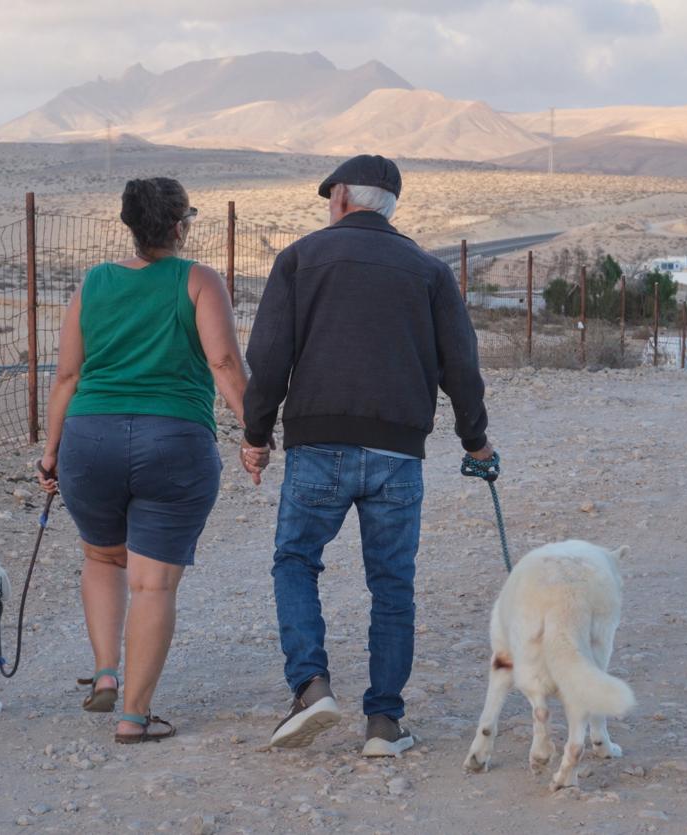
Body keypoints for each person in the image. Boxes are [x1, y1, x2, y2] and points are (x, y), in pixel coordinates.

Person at [241, 154, 495, 756]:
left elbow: (270, 354)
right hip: (398, 453)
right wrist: (475, 439)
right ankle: (383, 723)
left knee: (296, 561)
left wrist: (257, 435)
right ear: (391, 206)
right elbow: (462, 365)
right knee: (392, 585)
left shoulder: (300, 258)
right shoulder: (430, 271)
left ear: (341, 201)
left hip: (317, 446)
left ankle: (311, 686)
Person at [37, 177, 251, 743]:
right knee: (153, 586)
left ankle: (106, 671)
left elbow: (66, 376)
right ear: (181, 226)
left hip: (90, 438)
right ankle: (134, 715)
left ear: (131, 225)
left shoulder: (95, 282)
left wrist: (52, 451)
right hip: (174, 440)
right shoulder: (199, 281)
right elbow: (224, 363)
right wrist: (255, 433)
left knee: (104, 558)